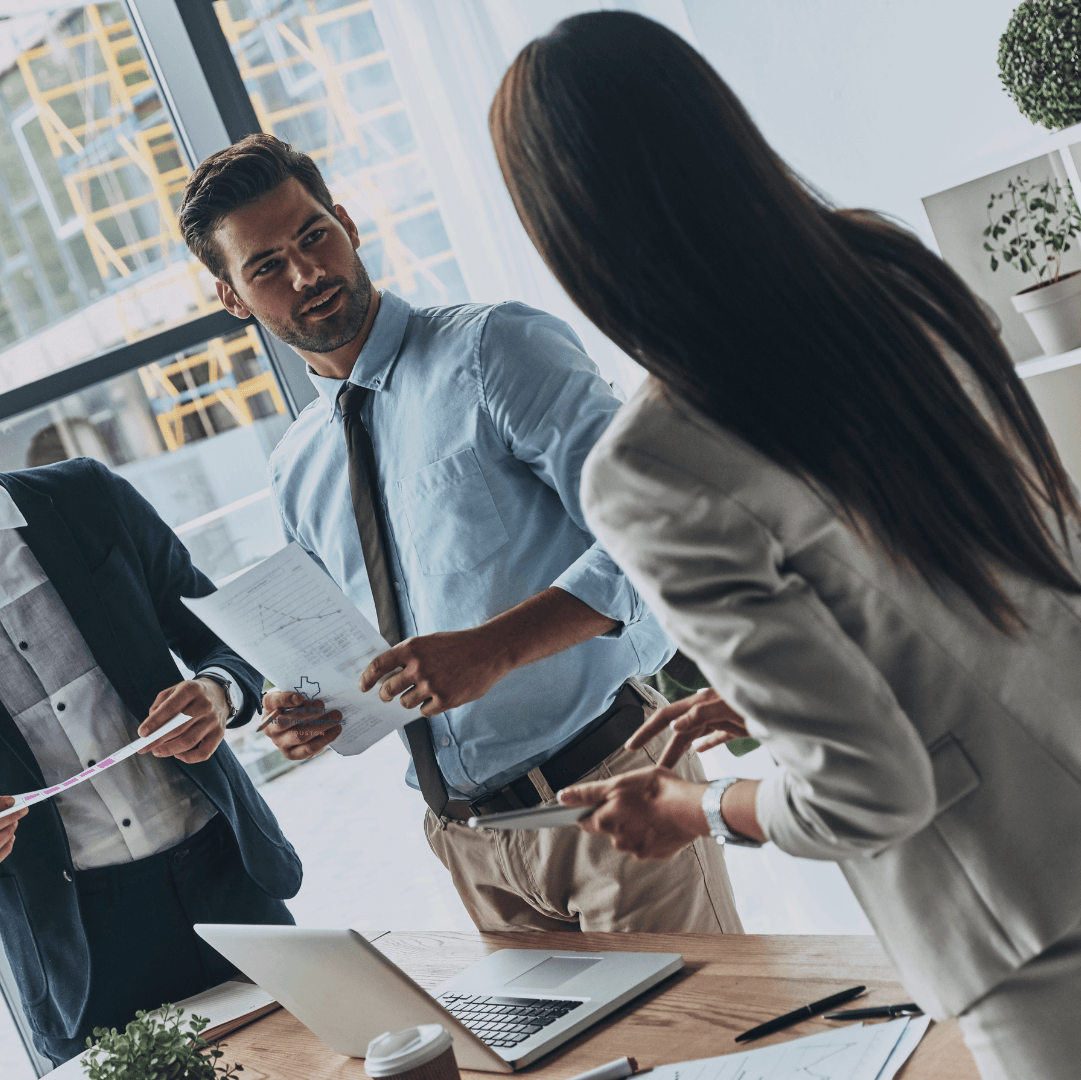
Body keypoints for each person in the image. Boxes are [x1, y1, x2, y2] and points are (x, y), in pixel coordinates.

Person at [488, 11, 1081, 1080]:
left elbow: (871, 790)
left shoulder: (649, 465)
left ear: (569, 226)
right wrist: (767, 699)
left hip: (1027, 929)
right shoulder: (888, 270)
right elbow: (971, 566)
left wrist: (697, 808)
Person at [176, 133, 741, 935]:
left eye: (313, 236)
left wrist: (493, 648)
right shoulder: (295, 466)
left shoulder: (494, 347)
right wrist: (302, 706)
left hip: (613, 785)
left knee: (704, 1053)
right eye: (266, 266)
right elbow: (340, 643)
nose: (307, 274)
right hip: (465, 840)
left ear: (346, 222)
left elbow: (657, 527)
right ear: (232, 297)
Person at [0, 458, 300, 1065]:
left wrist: (219, 691)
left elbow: (227, 636)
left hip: (229, 881)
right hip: (75, 948)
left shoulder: (85, 496)